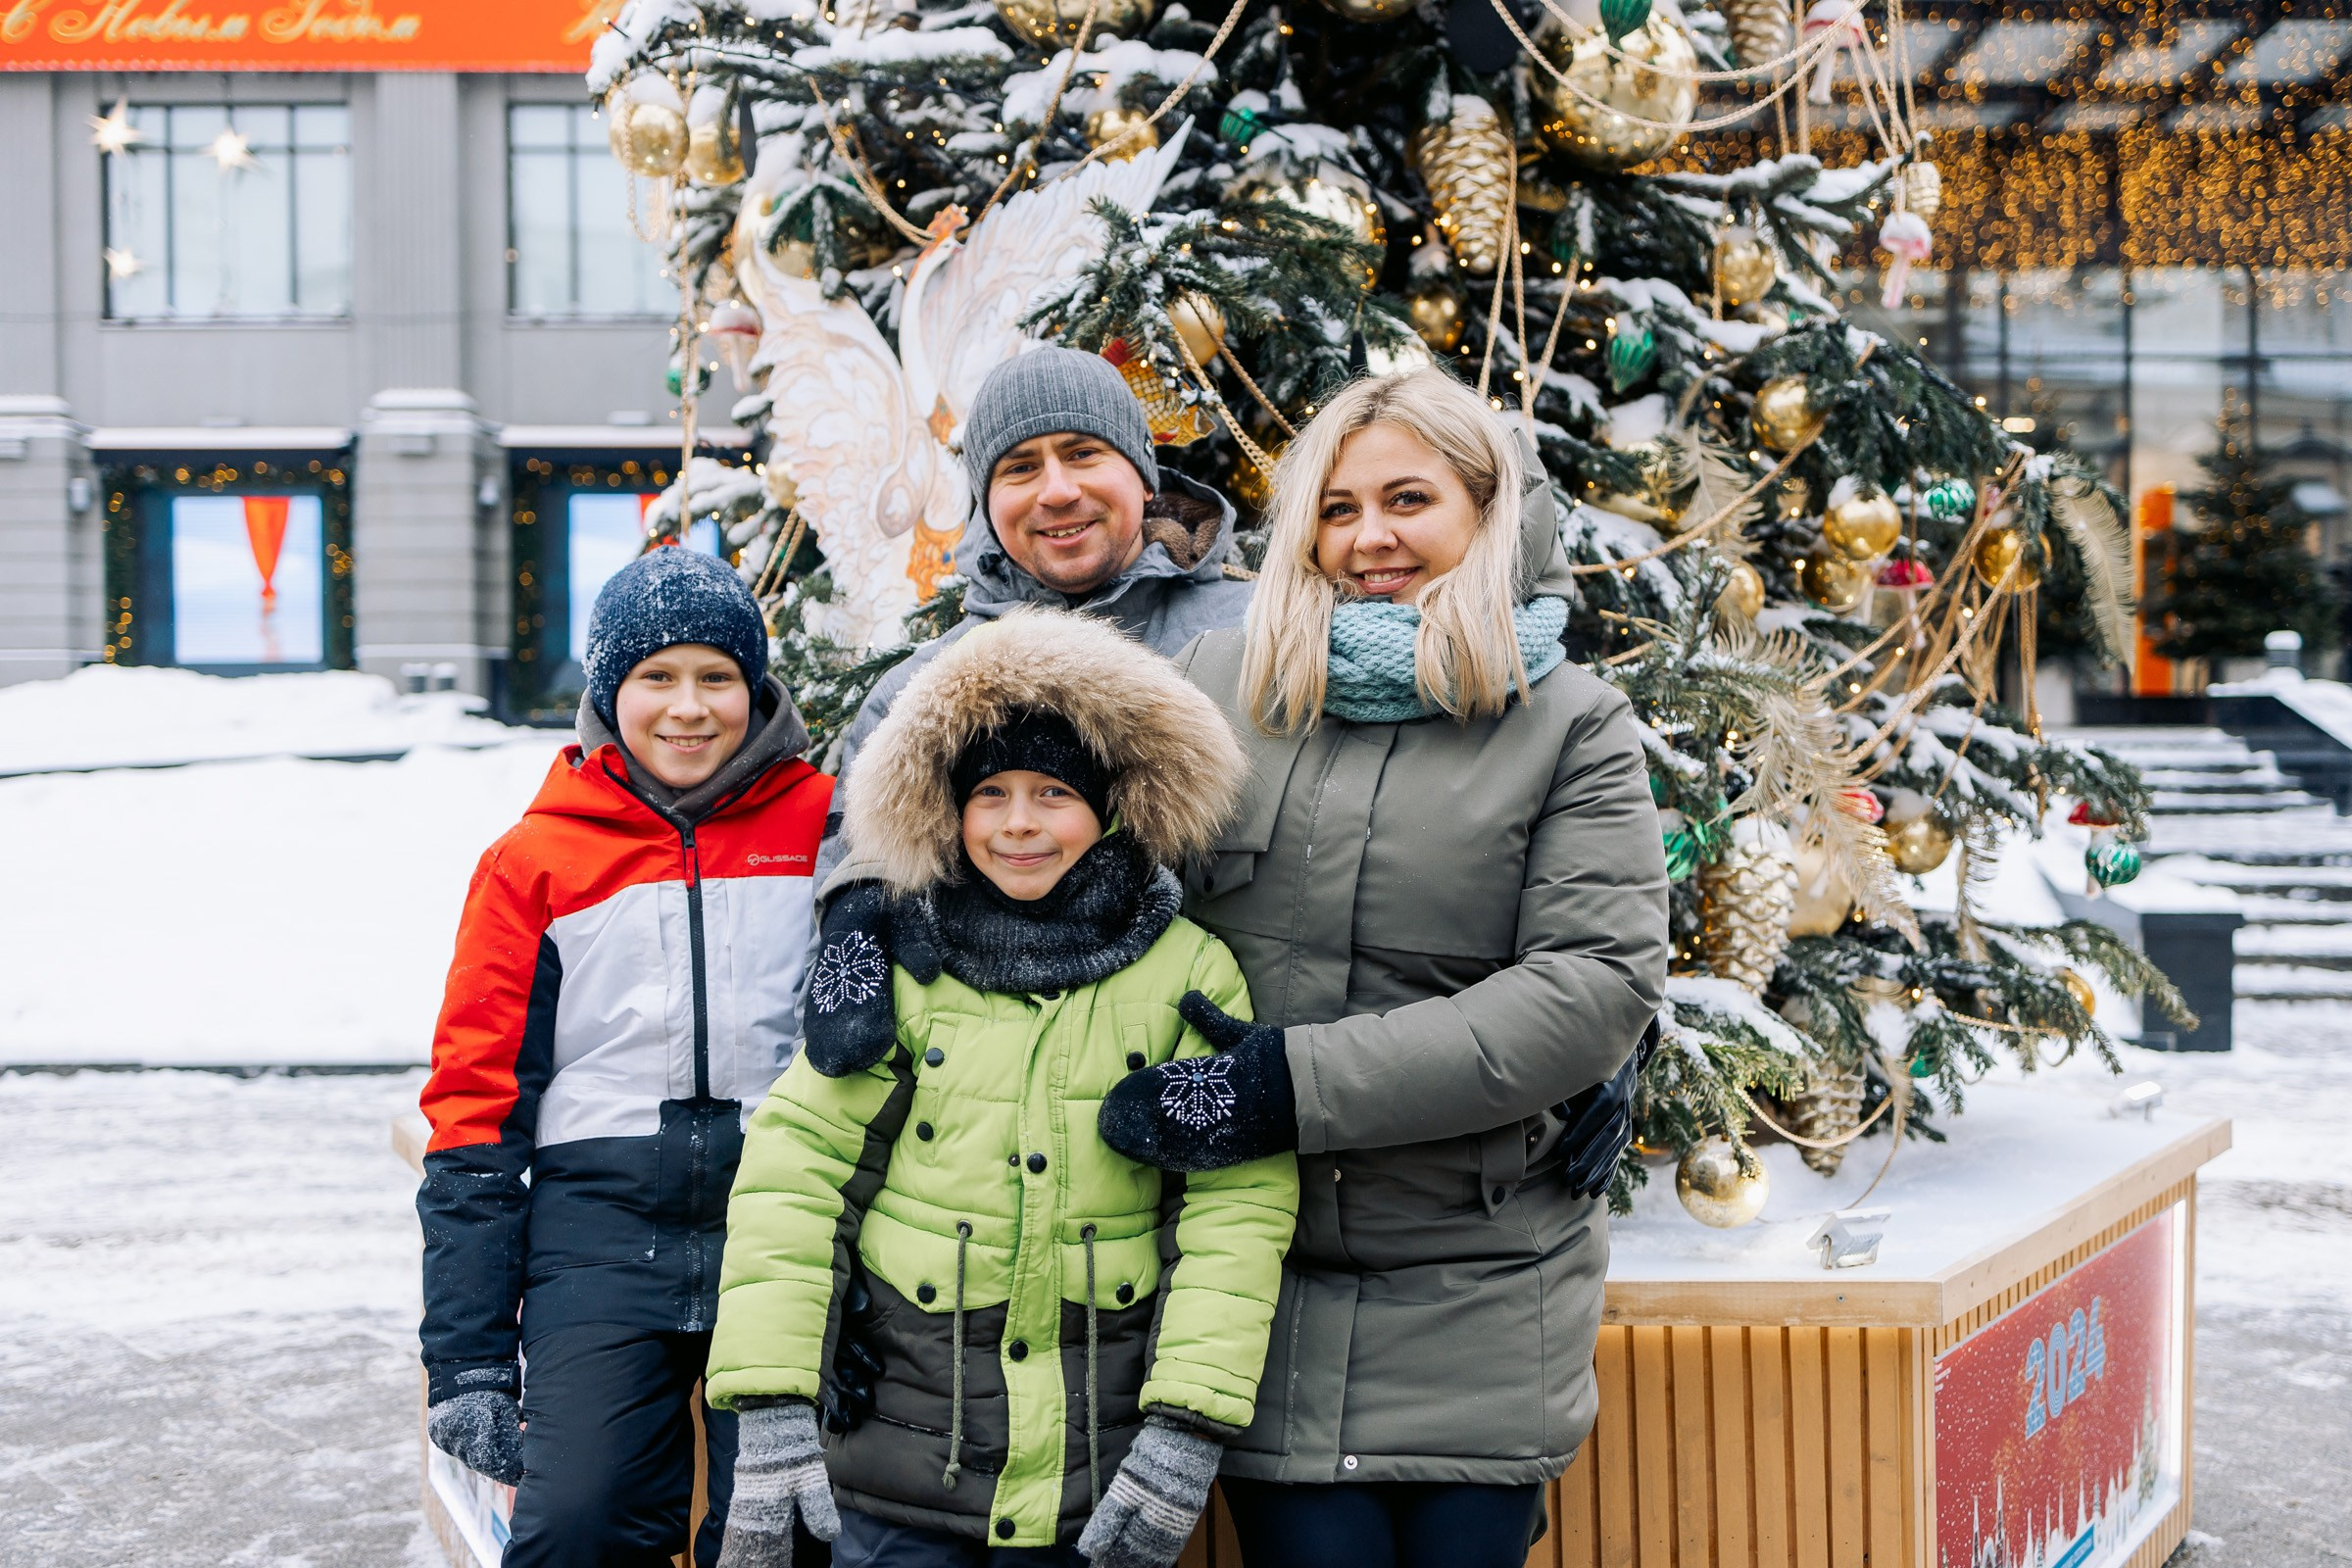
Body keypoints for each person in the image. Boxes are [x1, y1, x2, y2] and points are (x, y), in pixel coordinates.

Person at [1095, 368, 1671, 1568]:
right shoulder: (1217, 687)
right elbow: (1094, 917)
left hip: (1481, 1277)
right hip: (1258, 1284)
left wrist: (1286, 1089)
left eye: (1408, 499)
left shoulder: (1572, 722)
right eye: (1339, 507)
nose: (1371, 538)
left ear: (1484, 510)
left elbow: (1590, 985)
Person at [706, 608, 1301, 1568]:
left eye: (1054, 792)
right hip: (900, 1469)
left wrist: (1185, 1431)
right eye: (991, 795)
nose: (1019, 822)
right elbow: (797, 1169)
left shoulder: (1188, 973)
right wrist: (773, 1403)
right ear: (950, 809)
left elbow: (1235, 1212)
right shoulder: (909, 962)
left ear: (1113, 805)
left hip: (1088, 1476)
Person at [416, 548, 837, 1568]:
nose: (687, 708)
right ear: (609, 693)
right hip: (598, 1240)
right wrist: (468, 1357)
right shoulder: (536, 861)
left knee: (782, 1533)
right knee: (583, 1523)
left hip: (787, 1229)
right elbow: (475, 1107)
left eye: (715, 677)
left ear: (756, 687)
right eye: (656, 676)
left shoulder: (826, 826)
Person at [815, 344, 1253, 890]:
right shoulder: (916, 699)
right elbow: (848, 879)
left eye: (1083, 453)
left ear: (1143, 475)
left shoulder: (1259, 640)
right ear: (988, 505)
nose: (1058, 491)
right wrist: (856, 919)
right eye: (1020, 468)